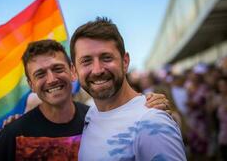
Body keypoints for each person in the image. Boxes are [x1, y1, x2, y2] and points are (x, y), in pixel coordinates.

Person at [0, 39, 171, 160]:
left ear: (72, 71)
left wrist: (148, 107)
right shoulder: (13, 134)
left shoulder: (96, 119)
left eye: (58, 68)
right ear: (31, 84)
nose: (52, 79)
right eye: (40, 74)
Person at [70, 17, 186, 160]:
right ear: (74, 71)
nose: (97, 70)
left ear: (125, 62)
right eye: (86, 61)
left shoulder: (152, 121)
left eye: (106, 58)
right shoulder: (90, 116)